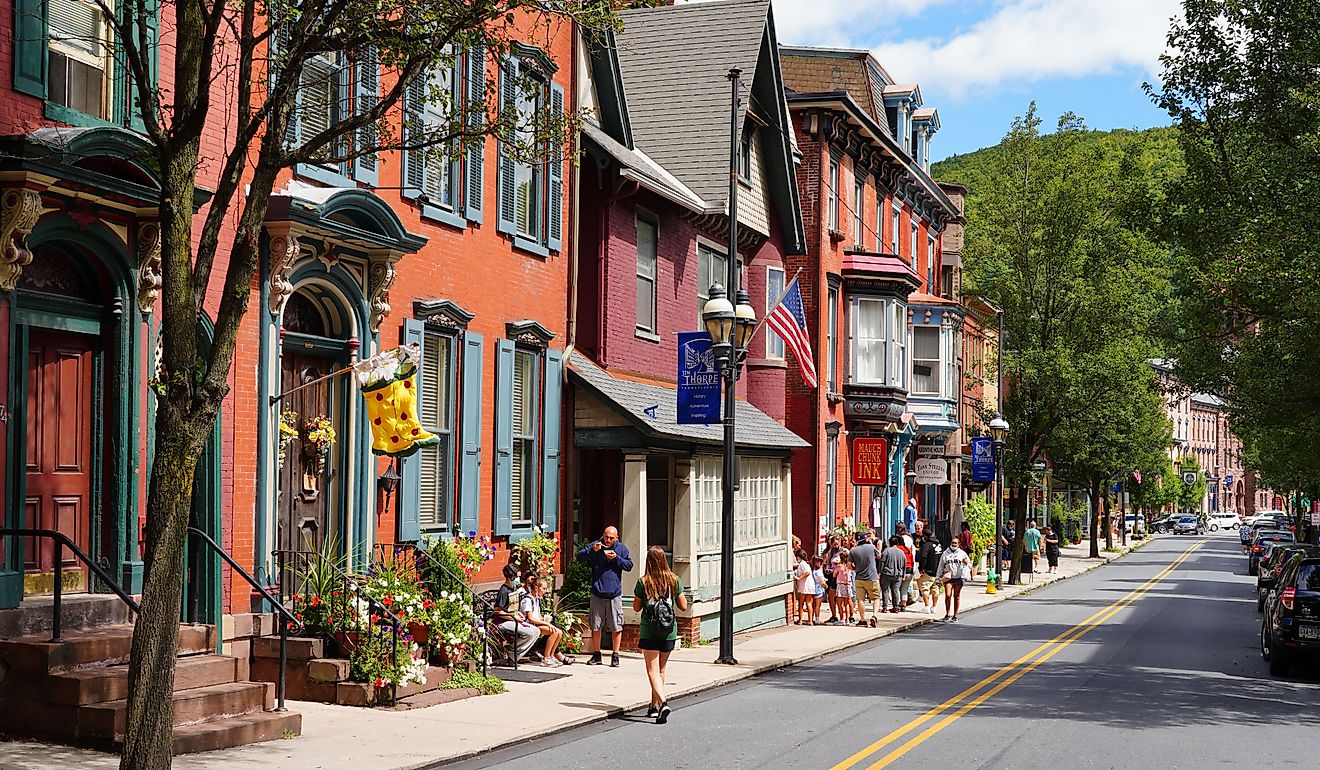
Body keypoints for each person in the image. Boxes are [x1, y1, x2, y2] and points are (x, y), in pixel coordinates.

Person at [633, 546, 688, 724]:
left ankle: (663, 702)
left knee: (652, 670)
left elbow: (636, 607)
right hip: (668, 631)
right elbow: (683, 606)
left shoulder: (643, 582)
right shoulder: (674, 580)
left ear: (648, 561)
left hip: (649, 630)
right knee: (661, 670)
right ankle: (653, 705)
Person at [576, 526, 634, 667]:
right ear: (603, 535)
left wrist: (616, 558)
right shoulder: (596, 545)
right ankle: (596, 654)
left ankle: (615, 655)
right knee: (595, 625)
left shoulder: (622, 549)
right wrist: (592, 551)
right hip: (597, 592)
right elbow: (579, 557)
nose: (608, 540)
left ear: (617, 538)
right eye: (606, 537)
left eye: (611, 538)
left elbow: (629, 565)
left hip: (614, 593)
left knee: (616, 625)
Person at [519, 576, 574, 666]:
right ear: (536, 588)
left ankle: (552, 656)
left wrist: (544, 619)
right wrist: (546, 623)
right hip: (529, 625)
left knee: (559, 632)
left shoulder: (536, 598)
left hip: (536, 623)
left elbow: (537, 615)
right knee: (554, 631)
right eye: (543, 588)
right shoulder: (527, 599)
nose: (545, 591)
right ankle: (546, 658)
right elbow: (530, 618)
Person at [494, 564, 540, 663]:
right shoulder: (504, 591)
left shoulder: (513, 588)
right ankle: (512, 652)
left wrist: (518, 613)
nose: (518, 579)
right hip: (503, 621)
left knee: (536, 631)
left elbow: (512, 607)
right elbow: (498, 611)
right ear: (511, 576)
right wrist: (513, 617)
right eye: (517, 577)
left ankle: (515, 653)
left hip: (514, 618)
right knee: (529, 633)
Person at [849, 533, 881, 627]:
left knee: (860, 599)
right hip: (872, 577)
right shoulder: (871, 547)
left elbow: (849, 565)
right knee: (876, 598)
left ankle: (862, 620)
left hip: (859, 578)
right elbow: (879, 555)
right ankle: (874, 615)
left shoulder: (853, 551)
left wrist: (855, 569)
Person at [938, 538, 971, 622]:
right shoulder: (945, 553)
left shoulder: (962, 554)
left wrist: (966, 563)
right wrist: (938, 577)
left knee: (956, 597)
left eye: (955, 543)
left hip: (958, 577)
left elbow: (968, 565)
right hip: (948, 577)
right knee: (948, 595)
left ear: (958, 544)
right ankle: (947, 614)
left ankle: (955, 615)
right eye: (952, 543)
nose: (954, 544)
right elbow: (941, 565)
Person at [917, 534, 944, 615]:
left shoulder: (927, 545)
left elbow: (923, 556)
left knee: (925, 588)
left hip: (928, 571)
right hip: (937, 571)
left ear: (926, 536)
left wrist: (921, 568)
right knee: (935, 589)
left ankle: (927, 607)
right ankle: (934, 607)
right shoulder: (939, 545)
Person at [879, 536, 907, 614]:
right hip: (898, 574)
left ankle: (885, 607)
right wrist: (903, 574)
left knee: (885, 590)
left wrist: (880, 571)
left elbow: (882, 562)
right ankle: (896, 607)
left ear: (890, 542)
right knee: (896, 591)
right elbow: (904, 564)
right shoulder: (901, 552)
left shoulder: (886, 551)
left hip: (886, 573)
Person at [896, 524, 916, 606]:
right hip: (910, 567)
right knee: (905, 587)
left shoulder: (898, 549)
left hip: (900, 568)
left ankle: (897, 603)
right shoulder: (909, 542)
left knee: (896, 587)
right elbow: (913, 553)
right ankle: (904, 602)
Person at [793, 549, 815, 624]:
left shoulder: (802, 564)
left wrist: (799, 578)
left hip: (804, 585)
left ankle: (800, 619)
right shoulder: (806, 564)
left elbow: (807, 573)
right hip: (810, 585)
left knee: (801, 603)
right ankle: (810, 620)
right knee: (808, 602)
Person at [833, 556, 855, 624]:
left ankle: (842, 618)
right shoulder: (849, 567)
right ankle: (847, 619)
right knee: (846, 603)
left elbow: (834, 575)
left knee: (839, 603)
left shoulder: (839, 567)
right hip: (848, 585)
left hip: (840, 584)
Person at [811, 556, 828, 624]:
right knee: (818, 605)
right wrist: (826, 587)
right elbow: (821, 581)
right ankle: (817, 619)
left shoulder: (813, 571)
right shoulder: (819, 572)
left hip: (813, 588)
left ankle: (811, 618)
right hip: (818, 589)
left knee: (813, 605)